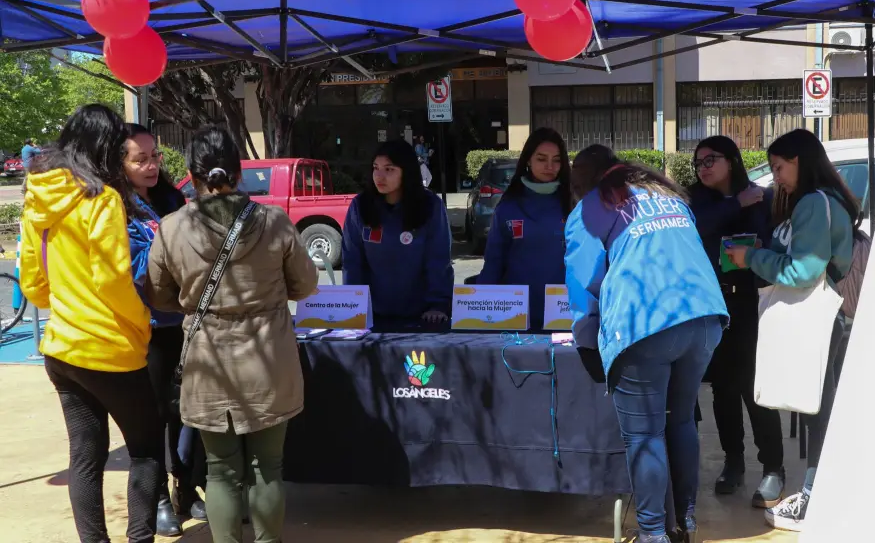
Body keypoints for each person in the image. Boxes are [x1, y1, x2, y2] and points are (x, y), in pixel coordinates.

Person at [145, 125, 319, 543]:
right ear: (239, 173)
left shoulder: (171, 228)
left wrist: (194, 303)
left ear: (192, 173)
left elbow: (156, 294)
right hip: (269, 359)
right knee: (267, 467)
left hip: (208, 361)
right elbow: (305, 285)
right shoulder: (274, 223)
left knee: (222, 471)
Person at [565, 144, 729, 543]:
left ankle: (654, 533)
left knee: (644, 435)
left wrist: (588, 342)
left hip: (645, 323)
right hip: (704, 317)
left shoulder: (591, 206)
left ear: (581, 181)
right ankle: (685, 525)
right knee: (682, 421)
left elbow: (584, 282)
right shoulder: (666, 195)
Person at [20, 104, 163, 542]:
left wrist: (66, 303)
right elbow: (112, 278)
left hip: (61, 348)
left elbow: (32, 281)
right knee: (147, 451)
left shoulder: (38, 196)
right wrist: (141, 321)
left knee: (85, 457)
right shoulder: (101, 198)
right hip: (109, 349)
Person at [724, 128, 858, 532]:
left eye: (779, 167)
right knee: (820, 407)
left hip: (817, 315)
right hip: (823, 316)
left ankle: (817, 495)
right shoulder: (817, 201)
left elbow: (803, 271)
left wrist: (753, 258)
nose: (776, 177)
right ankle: (818, 490)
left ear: (799, 161)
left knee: (820, 410)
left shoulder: (814, 204)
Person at [688, 135, 786, 508]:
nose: (703, 167)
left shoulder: (763, 197)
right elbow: (696, 230)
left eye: (710, 159)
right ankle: (733, 462)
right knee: (723, 388)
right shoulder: (697, 201)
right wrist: (733, 204)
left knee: (755, 388)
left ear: (732, 160)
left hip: (753, 302)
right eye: (698, 162)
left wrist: (759, 249)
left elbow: (776, 242)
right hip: (713, 304)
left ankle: (773, 467)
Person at [123, 124, 206, 537]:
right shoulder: (116, 209)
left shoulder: (174, 200)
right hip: (147, 328)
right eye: (140, 159)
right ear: (119, 164)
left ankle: (187, 490)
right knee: (154, 417)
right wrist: (172, 253)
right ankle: (156, 498)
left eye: (154, 156)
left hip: (186, 322)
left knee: (188, 411)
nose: (152, 165)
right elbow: (136, 269)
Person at [341, 139, 454, 327]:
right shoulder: (360, 206)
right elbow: (352, 262)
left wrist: (439, 305)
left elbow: (438, 259)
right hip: (373, 314)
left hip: (423, 316)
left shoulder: (430, 206)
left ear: (406, 172)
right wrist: (354, 305)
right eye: (376, 168)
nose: (379, 176)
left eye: (389, 169)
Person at [477, 127, 572, 329]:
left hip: (565, 315)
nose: (550, 166)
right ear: (528, 160)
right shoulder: (508, 206)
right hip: (516, 316)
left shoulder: (573, 203)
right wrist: (480, 310)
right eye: (541, 158)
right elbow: (493, 263)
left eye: (556, 159)